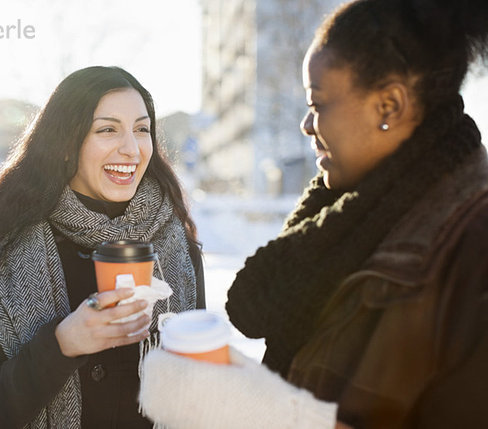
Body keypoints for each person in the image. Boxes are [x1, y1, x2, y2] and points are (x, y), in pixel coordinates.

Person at [139, 0, 488, 427]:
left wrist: (258, 409)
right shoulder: (352, 216)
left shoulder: (473, 246)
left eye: (318, 103)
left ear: (389, 106)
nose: (307, 123)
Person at [0, 66, 205, 428]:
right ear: (67, 143)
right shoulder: (3, 251)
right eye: (107, 129)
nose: (131, 148)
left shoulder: (176, 246)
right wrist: (64, 343)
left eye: (142, 129)